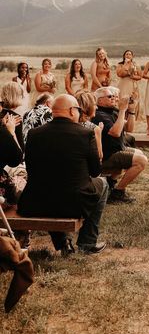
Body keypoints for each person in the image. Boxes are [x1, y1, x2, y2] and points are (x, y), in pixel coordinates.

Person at [18, 94, 108, 255]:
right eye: (79, 110)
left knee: (51, 188)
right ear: (73, 111)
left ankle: (63, 243)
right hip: (73, 204)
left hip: (35, 202)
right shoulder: (86, 134)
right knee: (103, 183)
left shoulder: (34, 134)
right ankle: (87, 242)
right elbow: (95, 171)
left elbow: (30, 169)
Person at [93, 87, 148, 203]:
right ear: (100, 101)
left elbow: (130, 128)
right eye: (109, 96)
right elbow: (116, 132)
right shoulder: (99, 115)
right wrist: (123, 110)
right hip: (106, 156)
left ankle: (110, 185)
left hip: (115, 149)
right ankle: (118, 192)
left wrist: (131, 110)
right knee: (141, 161)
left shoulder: (113, 111)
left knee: (139, 153)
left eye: (113, 96)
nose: (113, 98)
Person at [76, 90, 103, 161]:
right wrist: (99, 132)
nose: (96, 107)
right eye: (94, 104)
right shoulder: (94, 129)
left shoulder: (68, 123)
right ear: (87, 106)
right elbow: (99, 157)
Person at [116, 50, 142, 116]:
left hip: (133, 86)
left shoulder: (135, 65)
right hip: (123, 85)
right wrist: (125, 64)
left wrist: (133, 76)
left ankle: (131, 118)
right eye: (126, 54)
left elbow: (140, 76)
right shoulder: (120, 64)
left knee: (132, 102)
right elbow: (119, 74)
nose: (128, 55)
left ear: (132, 56)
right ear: (124, 56)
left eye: (130, 54)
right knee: (123, 102)